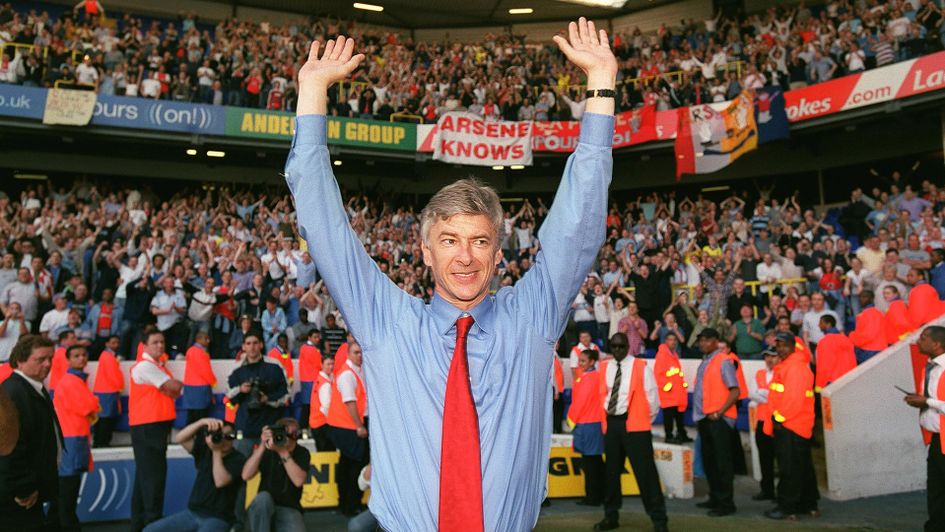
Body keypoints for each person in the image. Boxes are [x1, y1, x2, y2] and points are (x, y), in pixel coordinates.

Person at [286, 20, 616, 531]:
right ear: (424, 252)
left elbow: (581, 226)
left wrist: (600, 87)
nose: (465, 257)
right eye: (449, 241)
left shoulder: (532, 316)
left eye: (480, 241)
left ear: (498, 252)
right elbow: (323, 225)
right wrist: (311, 91)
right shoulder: (385, 322)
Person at [595, 332, 667, 532]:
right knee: (611, 475)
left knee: (646, 475)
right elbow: (604, 395)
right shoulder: (604, 367)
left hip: (635, 427)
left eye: (621, 346)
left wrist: (642, 420)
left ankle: (659, 520)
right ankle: (611, 516)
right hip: (612, 425)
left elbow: (653, 399)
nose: (617, 350)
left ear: (628, 347)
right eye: (614, 346)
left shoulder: (641, 366)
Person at [0, 335, 62, 530]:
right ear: (20, 361)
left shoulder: (31, 388)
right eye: (40, 359)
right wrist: (24, 488)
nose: (47, 364)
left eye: (50, 358)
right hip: (17, 497)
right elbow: (9, 447)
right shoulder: (14, 393)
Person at [143, 417, 246, 532]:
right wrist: (201, 422)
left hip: (219, 518)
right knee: (149, 530)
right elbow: (180, 438)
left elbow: (220, 481)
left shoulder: (239, 459)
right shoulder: (205, 450)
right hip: (193, 513)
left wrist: (216, 450)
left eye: (229, 436)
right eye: (220, 436)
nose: (224, 440)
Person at [129, 327, 184, 532]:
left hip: (153, 425)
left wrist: (172, 386)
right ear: (144, 345)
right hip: (148, 426)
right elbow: (175, 387)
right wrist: (172, 386)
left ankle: (139, 525)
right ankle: (152, 525)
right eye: (155, 342)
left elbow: (174, 389)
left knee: (144, 480)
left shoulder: (156, 366)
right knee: (153, 480)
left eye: (162, 342)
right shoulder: (146, 367)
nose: (160, 345)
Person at [764, 331, 819, 521]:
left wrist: (778, 419)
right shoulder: (793, 365)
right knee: (802, 467)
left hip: (791, 425)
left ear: (792, 347)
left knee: (789, 469)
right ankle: (809, 504)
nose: (780, 348)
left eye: (784, 345)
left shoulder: (794, 367)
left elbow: (792, 399)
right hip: (797, 424)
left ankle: (787, 508)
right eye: (778, 345)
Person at [692, 328, 747, 516]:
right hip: (706, 418)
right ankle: (715, 497)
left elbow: (735, 390)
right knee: (710, 462)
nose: (703, 344)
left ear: (716, 341)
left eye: (707, 340)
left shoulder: (724, 361)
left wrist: (720, 412)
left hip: (719, 419)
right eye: (701, 340)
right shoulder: (706, 361)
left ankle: (726, 504)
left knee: (722, 463)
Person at [51, 344, 99, 532]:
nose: (81, 358)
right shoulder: (71, 381)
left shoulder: (75, 381)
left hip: (73, 441)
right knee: (67, 497)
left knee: (63, 498)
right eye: (76, 355)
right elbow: (90, 406)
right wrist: (94, 402)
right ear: (68, 360)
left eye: (84, 355)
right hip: (71, 443)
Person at [904, 325, 945, 532]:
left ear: (936, 344)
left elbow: (935, 402)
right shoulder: (929, 367)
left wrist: (927, 402)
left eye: (923, 338)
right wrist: (920, 400)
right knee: (936, 491)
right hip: (936, 440)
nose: (918, 341)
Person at [241, 418, 310, 532]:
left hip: (289, 507)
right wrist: (263, 445)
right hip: (265, 505)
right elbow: (245, 475)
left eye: (294, 434)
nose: (291, 438)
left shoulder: (302, 452)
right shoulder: (267, 450)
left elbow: (298, 481)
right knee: (262, 498)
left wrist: (282, 451)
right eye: (286, 434)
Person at [328, 342, 368, 516]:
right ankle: (351, 505)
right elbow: (349, 402)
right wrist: (359, 426)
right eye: (356, 352)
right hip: (349, 427)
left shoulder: (356, 371)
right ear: (349, 354)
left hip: (349, 425)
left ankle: (347, 504)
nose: (359, 355)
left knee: (347, 466)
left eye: (361, 352)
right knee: (353, 467)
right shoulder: (347, 375)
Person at [566, 349, 604, 507]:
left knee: (590, 465)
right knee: (595, 463)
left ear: (592, 362)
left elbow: (579, 403)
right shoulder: (595, 377)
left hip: (586, 424)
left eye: (583, 361)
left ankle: (592, 497)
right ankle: (598, 496)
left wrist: (570, 420)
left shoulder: (588, 379)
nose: (580, 363)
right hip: (593, 423)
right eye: (579, 360)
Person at [749, 349, 778, 502]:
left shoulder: (781, 373)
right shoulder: (760, 373)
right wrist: (768, 395)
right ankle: (767, 490)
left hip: (777, 421)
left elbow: (778, 397)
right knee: (764, 458)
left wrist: (763, 393)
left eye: (772, 356)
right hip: (762, 420)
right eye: (767, 356)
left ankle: (780, 492)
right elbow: (751, 393)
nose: (769, 359)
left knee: (780, 458)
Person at [653, 333, 690, 443]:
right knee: (669, 416)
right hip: (669, 394)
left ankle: (681, 434)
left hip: (677, 393)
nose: (673, 342)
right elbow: (658, 374)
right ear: (665, 341)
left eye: (675, 340)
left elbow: (676, 374)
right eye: (670, 339)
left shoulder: (673, 355)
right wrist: (667, 387)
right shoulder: (662, 355)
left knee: (679, 416)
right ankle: (669, 436)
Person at [92, 335, 123, 447]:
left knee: (103, 419)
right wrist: (120, 387)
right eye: (113, 342)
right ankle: (102, 442)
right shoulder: (108, 357)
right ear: (107, 344)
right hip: (108, 391)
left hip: (105, 391)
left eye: (117, 342)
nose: (116, 345)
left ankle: (100, 442)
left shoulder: (107, 356)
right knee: (105, 420)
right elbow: (113, 375)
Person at [814, 315, 856, 392]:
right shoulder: (845, 339)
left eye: (821, 323)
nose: (819, 325)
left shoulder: (825, 341)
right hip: (849, 380)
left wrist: (819, 385)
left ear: (828, 324)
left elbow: (824, 365)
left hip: (833, 382)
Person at [183, 331, 217, 424]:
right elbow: (205, 371)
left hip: (190, 388)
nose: (208, 341)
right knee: (201, 418)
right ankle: (200, 438)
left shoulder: (190, 351)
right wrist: (214, 382)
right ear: (198, 339)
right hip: (200, 390)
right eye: (206, 338)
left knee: (191, 417)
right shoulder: (200, 352)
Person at [298, 328, 324, 429]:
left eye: (318, 337)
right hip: (311, 380)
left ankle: (304, 427)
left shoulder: (304, 347)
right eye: (315, 337)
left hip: (307, 379)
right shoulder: (311, 349)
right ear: (309, 337)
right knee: (309, 405)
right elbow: (318, 364)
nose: (317, 339)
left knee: (307, 405)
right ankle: (305, 427)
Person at [308, 356, 335, 451]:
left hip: (316, 422)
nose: (331, 367)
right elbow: (326, 406)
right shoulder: (325, 384)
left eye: (332, 364)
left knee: (322, 453)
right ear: (322, 365)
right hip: (323, 423)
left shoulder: (319, 379)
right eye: (328, 364)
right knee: (328, 454)